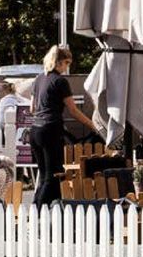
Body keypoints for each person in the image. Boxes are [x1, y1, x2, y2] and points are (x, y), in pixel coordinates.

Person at [30, 45, 98, 209]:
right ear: (59, 62)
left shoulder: (38, 79)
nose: (68, 66)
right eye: (67, 62)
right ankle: (39, 211)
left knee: (44, 174)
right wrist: (94, 126)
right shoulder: (60, 81)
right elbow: (73, 111)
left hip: (35, 131)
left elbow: (32, 108)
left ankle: (36, 210)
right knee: (52, 175)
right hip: (50, 130)